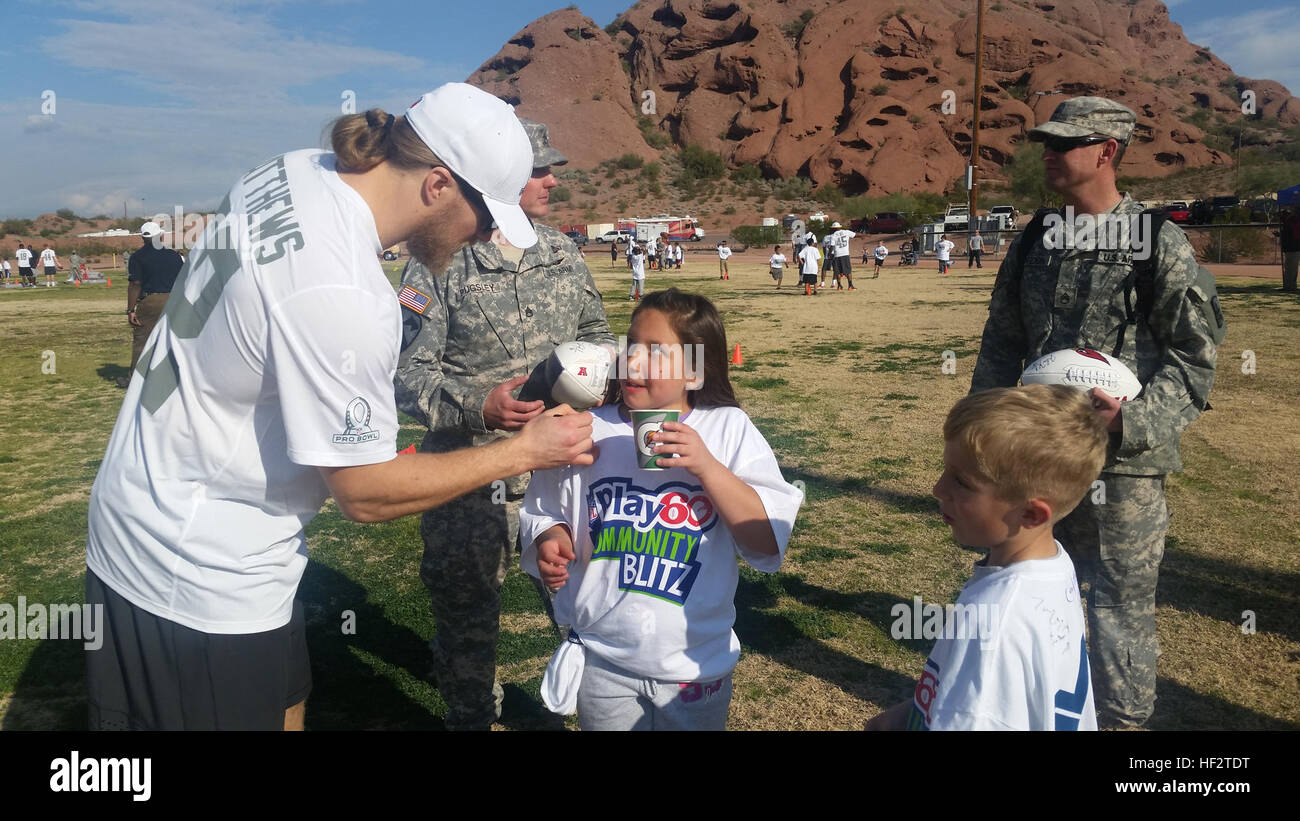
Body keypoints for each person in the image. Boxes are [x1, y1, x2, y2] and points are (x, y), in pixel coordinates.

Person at [84, 83, 597, 732]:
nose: (487, 234)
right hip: (194, 573)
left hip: (198, 526)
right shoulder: (345, 290)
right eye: (486, 214)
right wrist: (524, 451)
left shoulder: (292, 168)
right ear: (438, 185)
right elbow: (365, 492)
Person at [969, 96, 1221, 728]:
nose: (1049, 153)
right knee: (1011, 585)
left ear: (1108, 151)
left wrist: (1129, 425)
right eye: (1047, 143)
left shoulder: (1158, 241)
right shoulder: (1035, 238)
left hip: (1123, 466)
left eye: (1065, 143)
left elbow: (1194, 355)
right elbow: (1001, 340)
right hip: (1034, 456)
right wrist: (984, 432)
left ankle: (1121, 731)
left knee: (1117, 605)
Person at [394, 118, 615, 731]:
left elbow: (597, 338)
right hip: (470, 475)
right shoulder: (438, 261)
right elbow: (403, 377)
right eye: (537, 170)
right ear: (496, 181)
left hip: (562, 470)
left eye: (550, 169)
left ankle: (598, 711)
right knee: (467, 621)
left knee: (588, 606)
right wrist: (477, 405)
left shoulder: (563, 250)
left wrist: (584, 387)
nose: (550, 181)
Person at [520, 288, 803, 730]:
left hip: (692, 666)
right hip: (603, 657)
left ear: (695, 371)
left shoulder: (727, 429)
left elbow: (766, 542)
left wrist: (708, 467)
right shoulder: (586, 428)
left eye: (655, 353)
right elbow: (543, 504)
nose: (633, 363)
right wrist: (550, 536)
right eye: (631, 345)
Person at [866, 385, 1107, 731]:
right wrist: (910, 713)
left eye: (961, 482)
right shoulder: (1053, 565)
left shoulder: (994, 626)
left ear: (1030, 515)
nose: (937, 489)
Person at [119, 221, 186, 387]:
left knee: (142, 340)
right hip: (175, 299)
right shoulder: (174, 255)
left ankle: (134, 379)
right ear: (160, 236)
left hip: (151, 301)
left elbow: (135, 284)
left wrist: (130, 310)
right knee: (174, 339)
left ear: (142, 237)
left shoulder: (137, 257)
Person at [829, 221, 856, 290]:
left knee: (837, 271)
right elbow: (855, 235)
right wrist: (864, 236)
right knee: (848, 270)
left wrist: (830, 254)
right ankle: (850, 285)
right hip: (845, 254)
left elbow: (831, 246)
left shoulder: (833, 235)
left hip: (837, 254)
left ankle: (839, 286)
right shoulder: (846, 232)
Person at [1280, 205, 1299, 292]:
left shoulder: (1294, 220)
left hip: (1294, 246)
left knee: (1291, 268)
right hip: (1290, 246)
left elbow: (1293, 232)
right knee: (1288, 267)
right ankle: (1288, 286)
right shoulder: (1290, 221)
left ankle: (1291, 286)